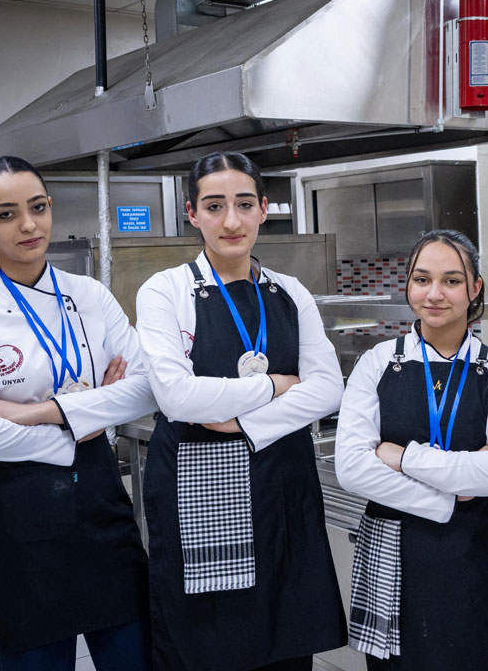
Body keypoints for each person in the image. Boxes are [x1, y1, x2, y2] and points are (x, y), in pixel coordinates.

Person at [0, 156, 154, 670]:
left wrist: (38, 412)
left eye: (37, 208)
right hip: (13, 516)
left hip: (100, 505)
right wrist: (89, 417)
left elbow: (147, 390)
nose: (28, 225)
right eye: (7, 214)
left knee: (135, 658)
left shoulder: (90, 296)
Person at [135, 151, 346, 670]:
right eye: (214, 206)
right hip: (200, 487)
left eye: (244, 204)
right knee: (209, 642)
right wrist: (273, 385)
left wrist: (242, 422)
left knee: (287, 635)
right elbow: (177, 397)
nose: (230, 220)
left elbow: (327, 389)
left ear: (263, 209)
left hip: (283, 486)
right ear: (192, 213)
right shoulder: (166, 290)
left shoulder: (291, 292)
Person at [335, 229, 488, 670]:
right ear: (408, 285)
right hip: (393, 555)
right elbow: (351, 468)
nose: (434, 293)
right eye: (422, 279)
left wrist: (401, 457)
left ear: (475, 287)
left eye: (452, 280)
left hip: (475, 555)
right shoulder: (379, 362)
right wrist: (447, 495)